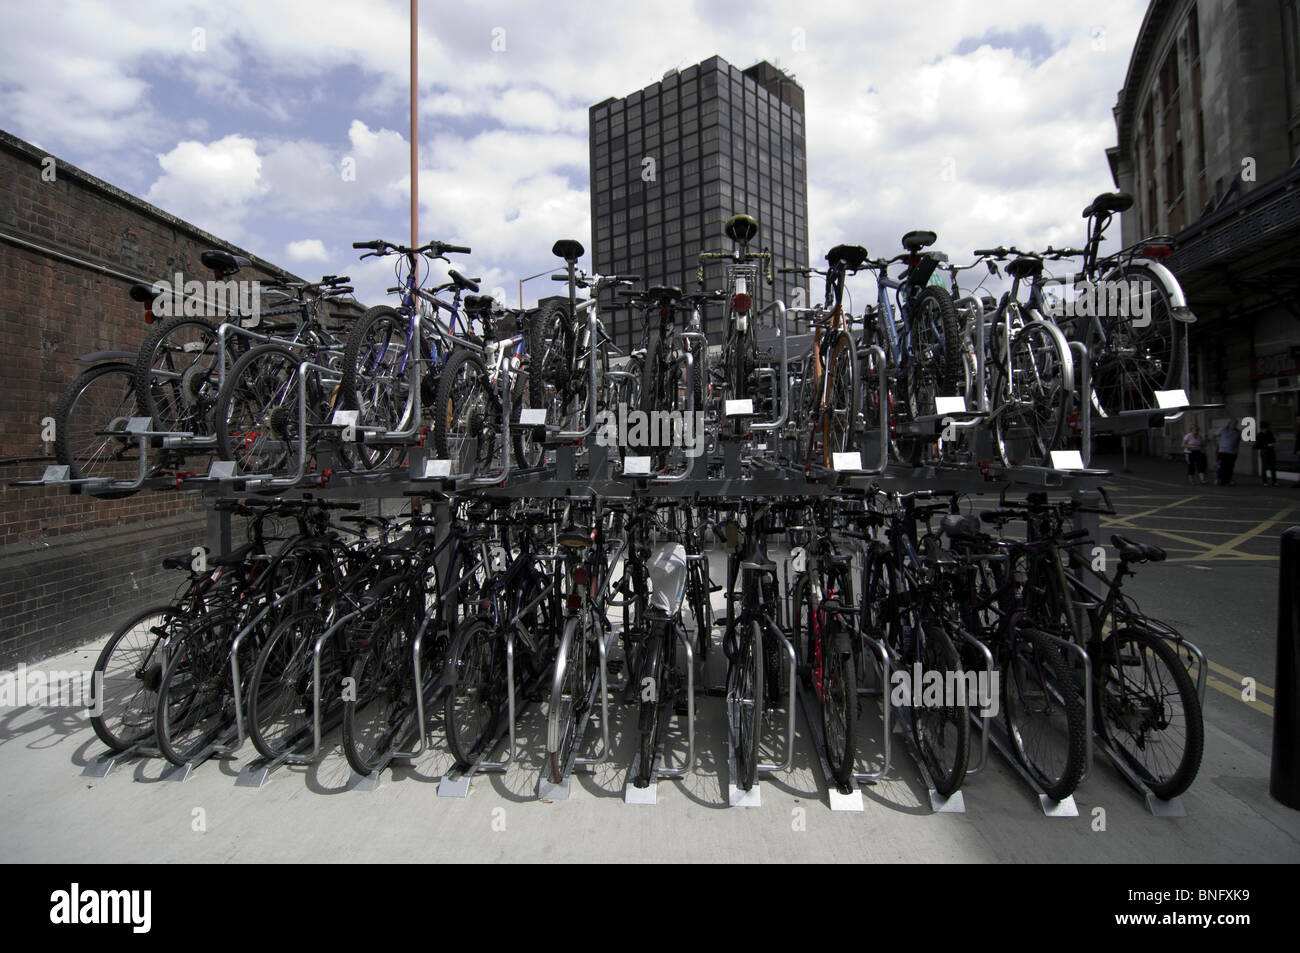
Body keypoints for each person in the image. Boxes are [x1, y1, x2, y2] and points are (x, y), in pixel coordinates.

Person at [1214, 419, 1242, 486]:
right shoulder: (1223, 430)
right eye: (1233, 424)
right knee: (1222, 466)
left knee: (1230, 467)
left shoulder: (1238, 432)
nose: (1234, 425)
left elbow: (1238, 441)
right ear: (1229, 424)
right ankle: (1220, 480)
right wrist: (1216, 445)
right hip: (1223, 451)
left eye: (1235, 424)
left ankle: (1228, 480)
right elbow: (1213, 436)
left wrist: (1237, 449)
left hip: (1232, 452)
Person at [1257, 421, 1278, 486]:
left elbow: (1273, 440)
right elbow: (1258, 445)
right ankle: (1265, 482)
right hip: (1264, 451)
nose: (1266, 430)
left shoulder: (1269, 433)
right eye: (1265, 428)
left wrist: (1273, 443)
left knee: (1273, 467)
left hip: (1271, 451)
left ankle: (1274, 481)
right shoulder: (1259, 435)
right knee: (1264, 467)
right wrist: (1267, 445)